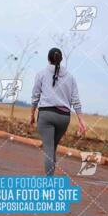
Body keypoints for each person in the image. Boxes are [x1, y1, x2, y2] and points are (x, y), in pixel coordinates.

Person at [30, 47, 86, 176]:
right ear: (61, 60)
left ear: (48, 59)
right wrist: (81, 120)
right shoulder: (70, 77)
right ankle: (50, 179)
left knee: (48, 149)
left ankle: (48, 184)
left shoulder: (41, 74)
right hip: (64, 118)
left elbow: (35, 97)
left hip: (46, 115)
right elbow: (75, 100)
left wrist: (32, 114)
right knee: (52, 148)